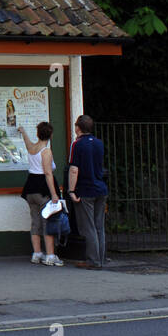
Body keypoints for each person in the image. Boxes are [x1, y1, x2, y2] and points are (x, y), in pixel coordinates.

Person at [16, 122, 63, 266]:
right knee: (48, 221)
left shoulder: (32, 148)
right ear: (51, 135)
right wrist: (54, 194)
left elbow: (27, 142)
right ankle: (50, 255)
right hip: (43, 189)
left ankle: (36, 253)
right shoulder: (46, 151)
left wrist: (23, 132)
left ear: (38, 134)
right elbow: (48, 173)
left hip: (30, 187)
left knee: (35, 221)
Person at [67, 114, 109, 269]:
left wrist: (71, 190)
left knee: (88, 227)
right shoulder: (99, 143)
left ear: (77, 128)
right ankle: (101, 258)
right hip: (101, 188)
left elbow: (74, 169)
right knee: (99, 227)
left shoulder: (76, 145)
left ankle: (93, 260)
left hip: (85, 189)